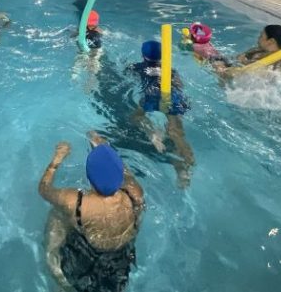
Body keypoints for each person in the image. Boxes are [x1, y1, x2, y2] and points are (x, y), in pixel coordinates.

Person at [39, 131, 144, 292]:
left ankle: (57, 275)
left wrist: (56, 161)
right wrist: (104, 148)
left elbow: (44, 189)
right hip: (120, 259)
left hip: (84, 255)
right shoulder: (134, 192)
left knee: (57, 214)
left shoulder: (76, 201)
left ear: (90, 179)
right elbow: (123, 172)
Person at [127, 40, 194, 188]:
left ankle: (153, 133)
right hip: (173, 96)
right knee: (176, 131)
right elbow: (179, 85)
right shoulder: (171, 70)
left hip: (152, 95)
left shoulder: (137, 67)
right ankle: (183, 167)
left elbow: (128, 73)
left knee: (135, 117)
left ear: (143, 55)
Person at [212, 24, 281, 75]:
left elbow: (268, 78)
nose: (258, 38)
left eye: (261, 36)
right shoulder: (257, 50)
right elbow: (235, 60)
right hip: (243, 75)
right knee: (216, 59)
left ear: (271, 41)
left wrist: (221, 70)